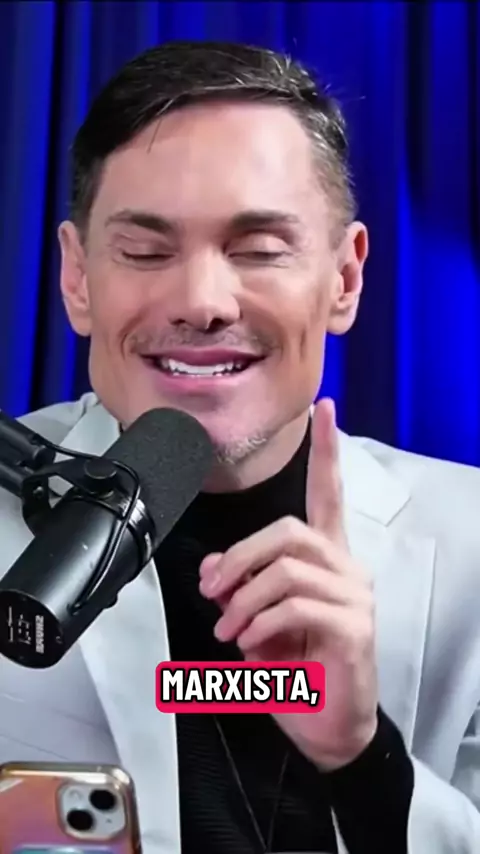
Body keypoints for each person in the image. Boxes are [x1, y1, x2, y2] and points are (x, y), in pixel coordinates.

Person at [0, 40, 479, 854]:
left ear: (344, 279)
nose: (201, 301)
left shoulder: (473, 544)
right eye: (146, 251)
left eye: (259, 250)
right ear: (77, 279)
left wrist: (364, 757)